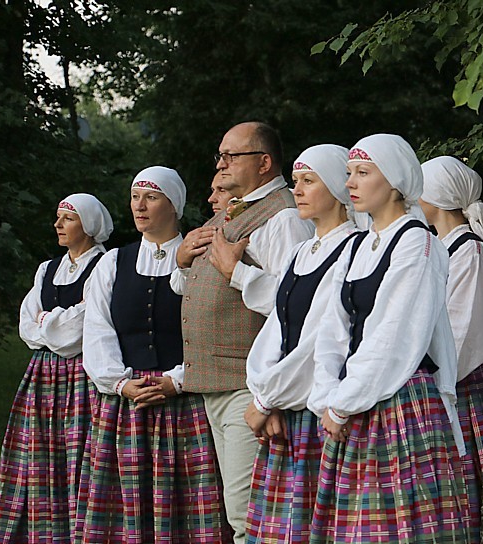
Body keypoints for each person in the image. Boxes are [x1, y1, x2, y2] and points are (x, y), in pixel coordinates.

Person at [307, 134, 469, 544]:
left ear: (395, 181)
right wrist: (328, 393)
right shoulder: (357, 246)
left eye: (363, 173)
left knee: (396, 528)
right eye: (349, 174)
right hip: (352, 398)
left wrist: (343, 404)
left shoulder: (419, 242)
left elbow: (395, 335)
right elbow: (332, 327)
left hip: (399, 401)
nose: (351, 184)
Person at [171, 122, 313, 544]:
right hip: (218, 383)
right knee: (240, 512)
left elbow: (297, 306)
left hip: (248, 387)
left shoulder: (284, 217)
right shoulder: (231, 211)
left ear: (264, 162)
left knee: (249, 515)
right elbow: (197, 286)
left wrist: (238, 272)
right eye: (220, 155)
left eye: (232, 155)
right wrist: (180, 261)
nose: (221, 163)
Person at [81, 167, 228, 543]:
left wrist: (177, 380)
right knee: (124, 508)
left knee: (190, 508)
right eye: (135, 196)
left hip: (186, 401)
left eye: (152, 196)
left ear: (174, 205)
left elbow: (212, 326)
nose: (140, 206)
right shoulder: (113, 262)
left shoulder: (202, 255)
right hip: (127, 403)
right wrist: (120, 382)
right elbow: (98, 329)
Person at [243, 144, 359, 544]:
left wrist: (267, 400)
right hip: (285, 404)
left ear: (337, 187)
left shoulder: (352, 249)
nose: (298, 190)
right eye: (295, 182)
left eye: (309, 181)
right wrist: (264, 393)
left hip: (317, 406)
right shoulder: (300, 250)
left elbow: (320, 340)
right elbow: (276, 328)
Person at [0, 194, 112, 543]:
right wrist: (52, 324)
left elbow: (78, 332)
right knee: (39, 453)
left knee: (78, 455)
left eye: (67, 219)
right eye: (58, 217)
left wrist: (48, 323)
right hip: (42, 375)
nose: (57, 225)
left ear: (88, 225)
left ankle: (78, 530)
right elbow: (26, 327)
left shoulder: (103, 266)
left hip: (83, 375)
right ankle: (41, 531)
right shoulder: (47, 269)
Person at [419, 155, 483, 544]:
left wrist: (435, 386)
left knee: (462, 494)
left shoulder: (469, 252)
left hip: (457, 390)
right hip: (441, 385)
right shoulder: (440, 247)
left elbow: (463, 335)